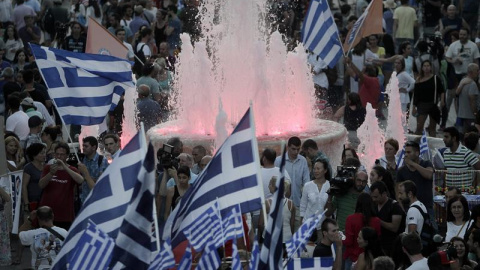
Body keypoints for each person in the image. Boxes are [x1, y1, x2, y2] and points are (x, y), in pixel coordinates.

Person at [38, 142, 84, 229]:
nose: (59, 157)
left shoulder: (72, 169)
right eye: (57, 154)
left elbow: (80, 180)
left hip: (65, 213)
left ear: (67, 156)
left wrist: (65, 167)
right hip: (47, 212)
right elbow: (41, 185)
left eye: (62, 155)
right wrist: (51, 174)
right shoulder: (48, 168)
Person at [274, 136, 310, 232]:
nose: (296, 152)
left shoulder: (303, 161)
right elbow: (274, 182)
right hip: (282, 205)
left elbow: (307, 182)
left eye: (298, 149)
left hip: (298, 204)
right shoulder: (278, 161)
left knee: (297, 233)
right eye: (293, 149)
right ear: (288, 147)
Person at [396, 141, 434, 224]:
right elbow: (398, 194)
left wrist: (413, 164)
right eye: (405, 152)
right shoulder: (401, 171)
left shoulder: (426, 163)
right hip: (409, 209)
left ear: (417, 153)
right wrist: (403, 211)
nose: (406, 155)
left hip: (426, 208)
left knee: (432, 233)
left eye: (409, 152)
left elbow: (429, 175)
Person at [344, 193, 382, 269]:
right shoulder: (376, 221)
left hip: (352, 257)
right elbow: (377, 240)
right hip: (370, 259)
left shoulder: (350, 219)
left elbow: (348, 241)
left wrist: (340, 238)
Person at [370, 181, 405, 256]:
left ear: (384, 194)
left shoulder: (394, 206)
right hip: (378, 245)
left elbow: (394, 227)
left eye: (376, 197)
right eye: (372, 197)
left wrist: (378, 221)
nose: (373, 199)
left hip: (391, 247)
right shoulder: (374, 205)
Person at [412, 60, 445, 137]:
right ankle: (417, 145)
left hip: (433, 104)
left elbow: (442, 90)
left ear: (431, 67)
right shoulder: (418, 79)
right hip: (422, 105)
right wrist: (414, 107)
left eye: (428, 66)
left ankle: (432, 146)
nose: (426, 68)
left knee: (432, 128)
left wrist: (442, 101)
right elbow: (416, 95)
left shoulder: (435, 78)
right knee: (419, 128)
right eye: (424, 66)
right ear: (422, 68)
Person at [300, 158, 330, 239]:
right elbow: (303, 206)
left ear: (325, 170)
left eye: (318, 169)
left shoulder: (330, 186)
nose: (315, 171)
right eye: (314, 169)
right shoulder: (307, 185)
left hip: (323, 226)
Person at [77, 136, 108, 204]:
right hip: (83, 199)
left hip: (96, 200)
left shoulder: (102, 161)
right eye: (83, 146)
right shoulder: (81, 160)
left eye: (86, 146)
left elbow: (101, 182)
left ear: (94, 147)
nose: (83, 148)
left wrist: (86, 174)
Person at [455, 63, 479, 133]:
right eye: (477, 70)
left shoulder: (463, 81)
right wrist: (475, 113)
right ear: (471, 72)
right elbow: (472, 100)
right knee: (471, 136)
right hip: (470, 116)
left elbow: (456, 96)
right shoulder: (472, 84)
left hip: (461, 114)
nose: (478, 72)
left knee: (462, 135)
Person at [22, 143, 46, 212]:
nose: (44, 155)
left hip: (44, 198)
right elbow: (24, 186)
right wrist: (27, 203)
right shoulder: (28, 168)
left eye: (44, 153)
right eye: (41, 153)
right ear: (34, 155)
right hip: (33, 200)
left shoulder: (46, 166)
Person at [0, 182, 11, 266]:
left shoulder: (2, 185)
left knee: (3, 239)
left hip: (1, 216)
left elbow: (7, 198)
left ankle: (3, 260)